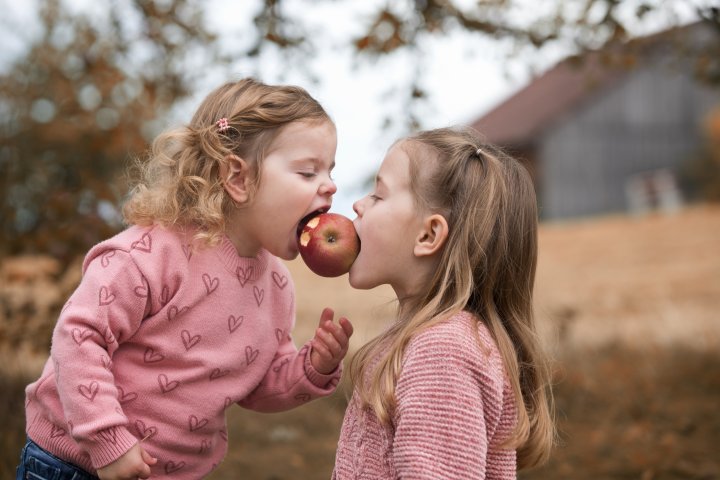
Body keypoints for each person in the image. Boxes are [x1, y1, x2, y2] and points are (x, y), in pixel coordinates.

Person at [17, 78, 354, 480]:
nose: (330, 186)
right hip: (74, 462)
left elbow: (257, 385)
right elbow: (79, 337)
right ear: (238, 179)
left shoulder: (277, 287)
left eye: (330, 171)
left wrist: (310, 367)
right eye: (307, 171)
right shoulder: (151, 255)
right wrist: (107, 441)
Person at [333, 126, 555, 479]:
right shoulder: (426, 339)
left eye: (378, 195)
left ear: (428, 235)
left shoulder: (442, 351)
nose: (358, 205)